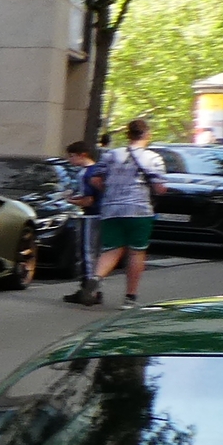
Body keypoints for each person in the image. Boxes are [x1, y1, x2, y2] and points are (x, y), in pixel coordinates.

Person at [67, 118, 167, 306]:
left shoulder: (111, 155)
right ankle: (130, 297)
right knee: (137, 253)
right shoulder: (153, 158)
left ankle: (95, 279)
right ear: (146, 134)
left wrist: (111, 191)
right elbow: (160, 188)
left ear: (127, 135)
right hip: (139, 211)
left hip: (111, 209)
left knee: (111, 250)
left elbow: (95, 180)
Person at [57, 138, 102, 303]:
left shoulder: (86, 173)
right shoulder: (97, 170)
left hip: (91, 215)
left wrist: (70, 200)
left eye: (72, 156)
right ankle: (91, 289)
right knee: (94, 253)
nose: (70, 160)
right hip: (100, 214)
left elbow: (89, 200)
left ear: (82, 155)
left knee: (87, 252)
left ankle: (89, 290)